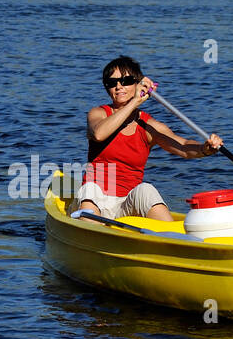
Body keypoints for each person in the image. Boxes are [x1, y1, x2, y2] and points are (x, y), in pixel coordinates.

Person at [74, 56, 223, 222]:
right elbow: (99, 134)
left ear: (138, 84)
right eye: (112, 83)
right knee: (90, 189)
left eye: (126, 81)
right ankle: (92, 230)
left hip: (127, 204)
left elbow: (183, 146)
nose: (118, 87)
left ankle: (174, 238)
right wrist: (135, 102)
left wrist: (205, 148)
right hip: (95, 200)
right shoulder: (98, 114)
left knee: (146, 189)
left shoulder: (149, 126)